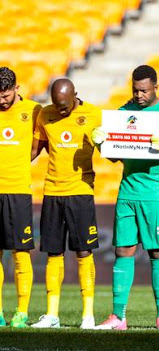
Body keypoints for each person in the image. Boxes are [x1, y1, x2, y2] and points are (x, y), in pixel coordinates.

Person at [94, 65, 159, 330]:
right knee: (123, 250)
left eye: (144, 90)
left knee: (158, 251)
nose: (138, 95)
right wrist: (102, 144)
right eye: (135, 90)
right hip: (128, 189)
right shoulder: (124, 112)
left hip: (157, 192)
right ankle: (118, 317)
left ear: (155, 88)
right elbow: (114, 155)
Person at [30, 79, 100, 329]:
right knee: (53, 253)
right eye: (56, 106)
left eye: (65, 106)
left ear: (75, 96)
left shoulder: (93, 114)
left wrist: (103, 142)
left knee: (84, 251)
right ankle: (52, 314)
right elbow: (34, 150)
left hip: (80, 191)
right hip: (52, 190)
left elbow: (112, 150)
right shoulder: (44, 114)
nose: (60, 111)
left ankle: (88, 316)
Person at [0, 67, 41, 328]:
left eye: (4, 96)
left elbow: (37, 146)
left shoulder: (34, 111)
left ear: (16, 88)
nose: (1, 101)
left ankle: (22, 312)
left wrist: (17, 166)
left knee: (20, 251)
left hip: (18, 190)